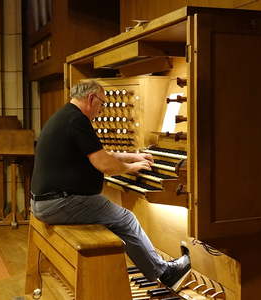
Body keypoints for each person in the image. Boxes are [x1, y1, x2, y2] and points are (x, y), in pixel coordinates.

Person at [30, 80, 190, 289]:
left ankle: (147, 263)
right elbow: (105, 164)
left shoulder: (67, 116)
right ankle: (165, 273)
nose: (101, 110)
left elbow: (102, 154)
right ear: (91, 98)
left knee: (117, 218)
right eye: (102, 104)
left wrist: (133, 156)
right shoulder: (78, 121)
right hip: (60, 202)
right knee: (126, 219)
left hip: (47, 201)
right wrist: (131, 168)